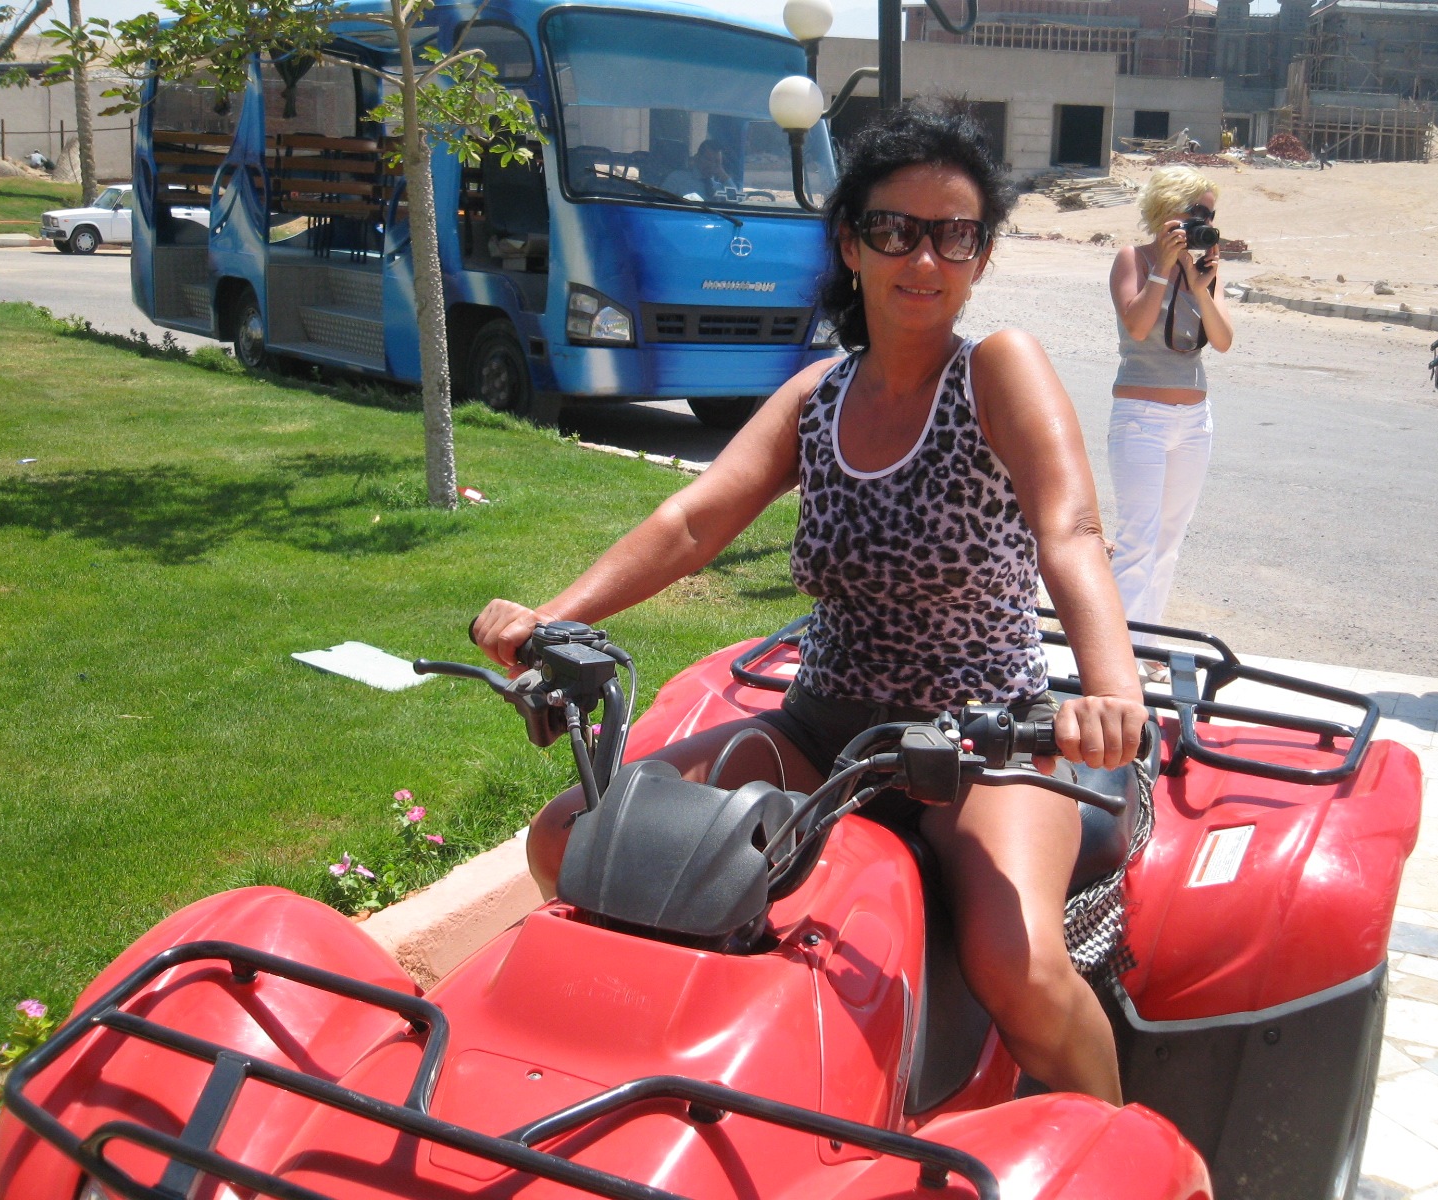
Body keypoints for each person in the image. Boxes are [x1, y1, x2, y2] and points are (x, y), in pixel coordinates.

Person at [472, 102, 1147, 1105]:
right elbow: (692, 521)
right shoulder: (817, 397)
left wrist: (1111, 691)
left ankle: (1117, 1144)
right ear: (850, 244)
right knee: (573, 838)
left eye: (955, 235)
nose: (925, 258)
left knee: (1021, 969)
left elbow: (1071, 528)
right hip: (824, 727)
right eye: (896, 230)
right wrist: (553, 618)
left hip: (983, 740)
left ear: (980, 255)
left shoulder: (996, 369)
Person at [1105, 166, 1234, 680]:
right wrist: (1162, 267)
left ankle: (1147, 647)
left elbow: (1222, 341)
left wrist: (1201, 287)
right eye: (1196, 212)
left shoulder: (1204, 270)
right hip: (1141, 418)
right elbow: (1137, 327)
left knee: (1167, 543)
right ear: (1166, 211)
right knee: (1137, 539)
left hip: (1194, 421)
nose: (1206, 223)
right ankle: (1118, 657)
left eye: (1211, 214)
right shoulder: (1132, 260)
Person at [661, 138, 735, 201]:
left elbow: (735, 202)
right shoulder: (677, 178)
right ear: (697, 158)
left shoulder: (719, 187)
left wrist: (723, 174)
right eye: (708, 159)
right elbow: (661, 203)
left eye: (716, 162)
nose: (712, 165)